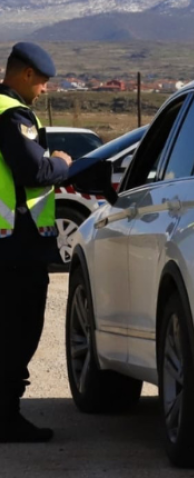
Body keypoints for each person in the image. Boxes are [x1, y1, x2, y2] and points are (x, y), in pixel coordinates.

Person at [0, 43, 72, 444]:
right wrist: (61, 163)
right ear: (26, 74)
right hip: (15, 248)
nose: (44, 89)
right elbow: (34, 170)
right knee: (17, 333)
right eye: (42, 81)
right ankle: (6, 419)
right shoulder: (12, 113)